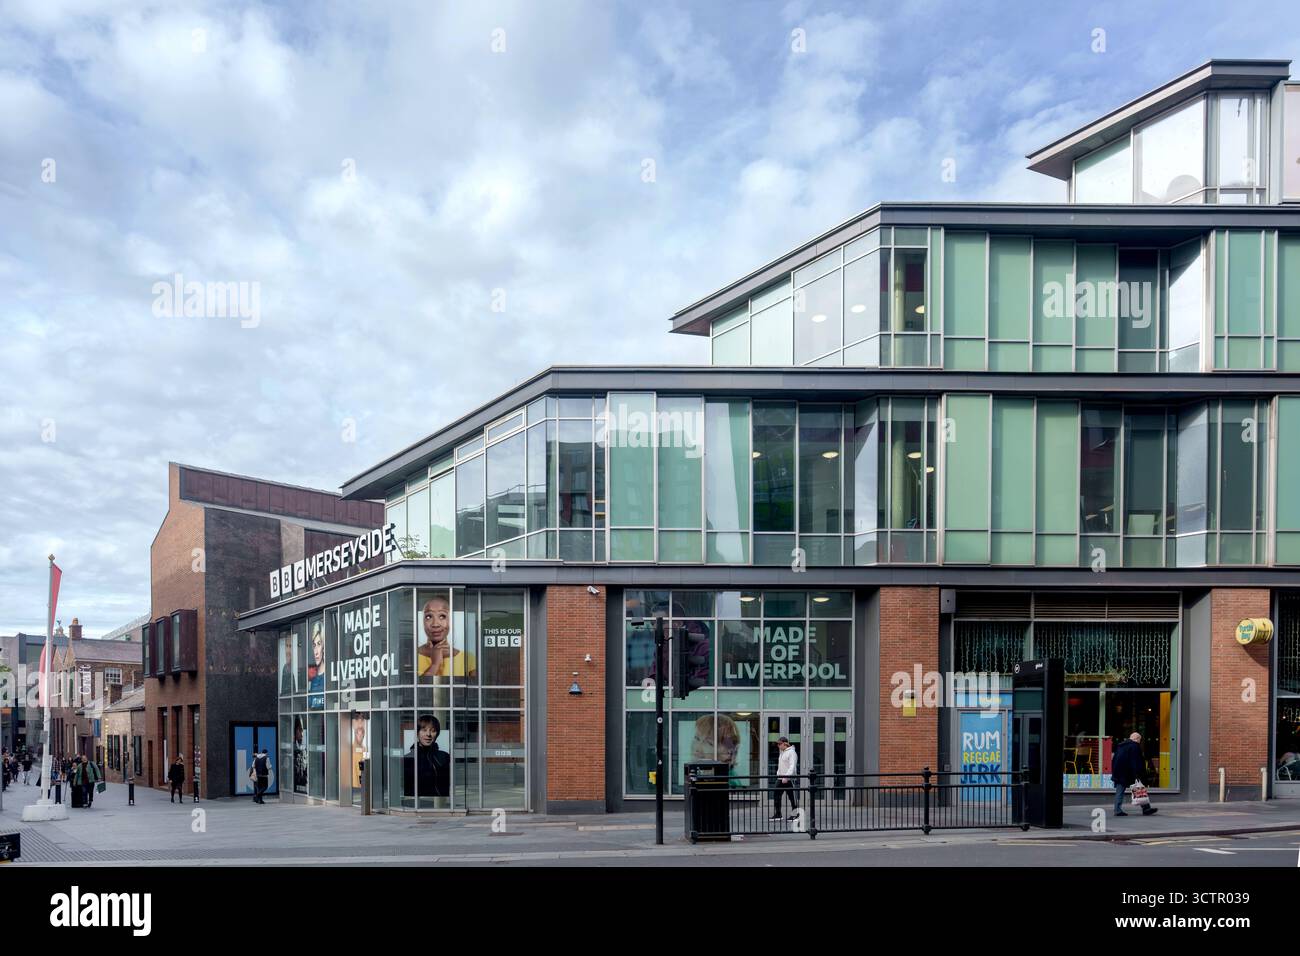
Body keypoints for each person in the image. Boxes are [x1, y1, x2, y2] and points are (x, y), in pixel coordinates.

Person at [417, 594, 476, 679]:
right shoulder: (412, 656)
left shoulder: (468, 659)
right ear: (423, 621)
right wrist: (435, 665)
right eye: (428, 616)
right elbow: (414, 690)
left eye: (442, 616)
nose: (435, 624)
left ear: (451, 620)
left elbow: (473, 691)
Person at [403, 714, 451, 799]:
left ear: (437, 734)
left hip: (441, 800)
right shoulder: (408, 758)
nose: (428, 734)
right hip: (414, 802)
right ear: (417, 733)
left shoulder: (445, 756)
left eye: (433, 731)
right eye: (424, 730)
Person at [1111, 731, 1157, 817]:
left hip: (1119, 773)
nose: (1140, 742)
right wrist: (1139, 774)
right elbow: (1136, 761)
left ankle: (1118, 809)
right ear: (1137, 739)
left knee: (1120, 791)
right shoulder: (1134, 746)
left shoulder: (1120, 746)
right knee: (1139, 788)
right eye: (1140, 740)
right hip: (1129, 772)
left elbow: (1114, 760)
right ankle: (1146, 808)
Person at [771, 736, 800, 822]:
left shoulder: (792, 753)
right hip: (781, 778)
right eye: (777, 744)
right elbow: (781, 765)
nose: (778, 746)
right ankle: (778, 814)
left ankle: (796, 815)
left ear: (785, 743)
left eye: (779, 744)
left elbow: (792, 766)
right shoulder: (782, 752)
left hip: (789, 779)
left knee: (792, 797)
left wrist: (787, 777)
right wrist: (778, 774)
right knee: (776, 795)